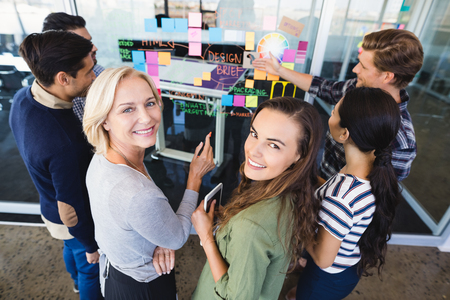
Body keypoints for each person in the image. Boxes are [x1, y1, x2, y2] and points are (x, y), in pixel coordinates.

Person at [83, 66, 215, 299]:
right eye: (127, 109)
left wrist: (158, 236)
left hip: (115, 274)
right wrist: (195, 176)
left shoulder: (102, 156)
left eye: (150, 103)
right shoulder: (138, 193)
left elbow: (131, 218)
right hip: (143, 288)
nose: (146, 117)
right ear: (104, 120)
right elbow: (177, 237)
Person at [191, 96, 323, 299]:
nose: (253, 150)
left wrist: (206, 236)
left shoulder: (250, 226)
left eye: (274, 145)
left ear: (299, 155)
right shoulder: (292, 191)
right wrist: (230, 218)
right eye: (254, 134)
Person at [253, 29, 423, 182]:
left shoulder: (402, 142)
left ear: (387, 77)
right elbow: (322, 87)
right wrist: (280, 70)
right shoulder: (356, 87)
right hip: (320, 181)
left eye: (363, 66)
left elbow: (379, 193)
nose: (355, 69)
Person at [9, 31, 101, 299]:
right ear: (63, 78)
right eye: (88, 71)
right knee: (90, 269)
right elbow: (71, 208)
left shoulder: (23, 97)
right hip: (73, 221)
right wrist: (90, 244)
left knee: (69, 249)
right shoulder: (65, 141)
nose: (94, 77)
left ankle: (73, 279)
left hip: (48, 207)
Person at [296, 87, 402, 299]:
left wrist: (298, 219)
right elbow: (338, 196)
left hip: (324, 279)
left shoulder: (341, 197)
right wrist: (305, 177)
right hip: (348, 267)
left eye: (334, 112)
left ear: (345, 134)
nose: (331, 115)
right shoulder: (368, 171)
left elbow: (323, 258)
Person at [43, 12, 105, 122]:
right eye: (83, 45)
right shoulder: (54, 102)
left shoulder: (99, 71)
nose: (95, 48)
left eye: (90, 41)